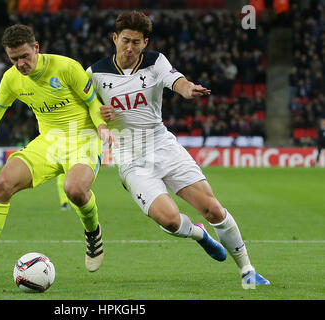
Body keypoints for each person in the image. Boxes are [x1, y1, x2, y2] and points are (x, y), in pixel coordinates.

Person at [88, 11, 269, 288]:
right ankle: (199, 235)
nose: (129, 47)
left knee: (213, 209)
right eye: (125, 40)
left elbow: (177, 81)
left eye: (136, 42)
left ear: (145, 43)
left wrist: (188, 89)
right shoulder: (95, 73)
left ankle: (247, 270)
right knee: (170, 221)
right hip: (130, 158)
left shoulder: (155, 62)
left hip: (162, 145)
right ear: (114, 38)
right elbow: (82, 110)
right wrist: (100, 115)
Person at [0, 24, 115, 282]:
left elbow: (93, 103)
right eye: (14, 59)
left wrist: (102, 127)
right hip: (48, 142)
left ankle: (93, 234)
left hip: (83, 139)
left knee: (75, 190)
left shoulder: (66, 67)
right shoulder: (11, 79)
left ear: (36, 48)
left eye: (25, 56)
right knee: (2, 184)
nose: (21, 63)